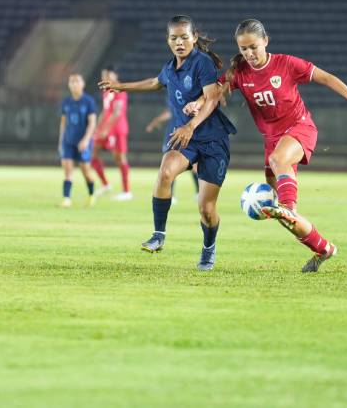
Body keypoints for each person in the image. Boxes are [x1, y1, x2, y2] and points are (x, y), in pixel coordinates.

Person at [187, 18, 347, 273]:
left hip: (299, 129)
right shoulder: (241, 72)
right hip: (273, 142)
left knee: (281, 182)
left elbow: (326, 78)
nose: (249, 54)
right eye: (244, 49)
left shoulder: (286, 64)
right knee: (282, 217)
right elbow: (217, 91)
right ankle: (323, 249)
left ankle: (290, 207)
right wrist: (199, 102)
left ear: (265, 41)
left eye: (253, 47)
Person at [98, 15, 236, 270]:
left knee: (206, 209)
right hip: (186, 138)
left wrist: (191, 125)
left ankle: (208, 248)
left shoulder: (202, 63)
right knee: (165, 174)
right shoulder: (170, 68)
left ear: (194, 38)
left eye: (185, 37)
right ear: (168, 40)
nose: (179, 42)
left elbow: (212, 99)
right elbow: (154, 82)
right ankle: (158, 234)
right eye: (174, 38)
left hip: (212, 139)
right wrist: (120, 86)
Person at [91, 67, 132, 201]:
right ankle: (105, 184)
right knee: (92, 154)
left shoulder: (119, 89)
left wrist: (105, 129)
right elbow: (105, 110)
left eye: (108, 75)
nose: (106, 78)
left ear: (115, 75)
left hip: (116, 129)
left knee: (120, 158)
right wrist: (98, 127)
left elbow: (117, 112)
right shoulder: (106, 90)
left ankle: (127, 191)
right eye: (104, 75)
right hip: (105, 128)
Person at [58, 73, 98, 208]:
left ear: (83, 84)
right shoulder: (66, 102)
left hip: (83, 142)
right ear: (69, 85)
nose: (74, 84)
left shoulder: (88, 101)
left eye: (77, 81)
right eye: (72, 82)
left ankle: (92, 194)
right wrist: (61, 141)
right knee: (67, 170)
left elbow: (92, 123)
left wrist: (86, 140)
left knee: (86, 171)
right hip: (68, 141)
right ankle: (66, 199)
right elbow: (63, 123)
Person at [146, 106, 200, 202]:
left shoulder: (176, 94)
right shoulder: (173, 95)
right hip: (179, 133)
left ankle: (173, 195)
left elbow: (169, 113)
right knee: (192, 165)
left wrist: (155, 121)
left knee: (171, 165)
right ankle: (198, 193)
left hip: (178, 133)